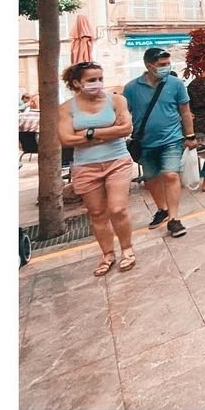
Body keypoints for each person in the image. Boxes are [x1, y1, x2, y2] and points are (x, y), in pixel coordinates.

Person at [58, 63, 137, 275]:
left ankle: (127, 249)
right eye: (91, 80)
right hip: (85, 166)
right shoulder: (66, 108)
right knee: (97, 212)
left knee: (117, 209)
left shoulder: (117, 100)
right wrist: (106, 131)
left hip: (117, 160)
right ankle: (108, 254)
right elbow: (65, 138)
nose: (98, 84)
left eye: (100, 79)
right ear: (77, 83)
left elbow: (126, 128)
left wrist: (86, 134)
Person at [122, 48, 197, 239]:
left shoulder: (176, 84)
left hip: (172, 139)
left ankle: (174, 219)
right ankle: (162, 209)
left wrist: (190, 136)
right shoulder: (131, 88)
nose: (166, 67)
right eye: (162, 65)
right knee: (152, 179)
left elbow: (185, 111)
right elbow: (124, 114)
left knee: (171, 175)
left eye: (167, 64)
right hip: (145, 142)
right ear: (149, 66)